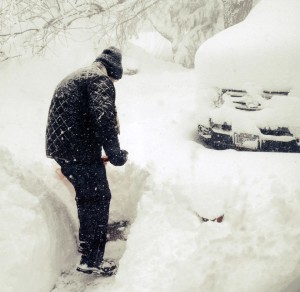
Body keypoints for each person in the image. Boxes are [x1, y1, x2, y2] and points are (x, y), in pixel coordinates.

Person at [45, 47, 128, 276]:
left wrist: (90, 153)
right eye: (115, 80)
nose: (113, 83)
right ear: (113, 72)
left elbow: (80, 117)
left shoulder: (79, 76)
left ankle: (87, 246)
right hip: (77, 150)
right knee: (98, 198)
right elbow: (103, 118)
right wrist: (115, 153)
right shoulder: (100, 81)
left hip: (64, 149)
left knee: (88, 197)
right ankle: (92, 259)